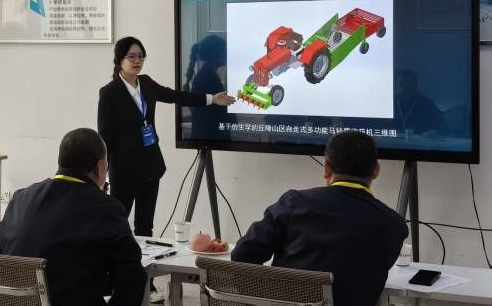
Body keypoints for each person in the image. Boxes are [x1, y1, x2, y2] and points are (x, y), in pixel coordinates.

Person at [98, 36, 234, 303]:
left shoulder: (146, 84)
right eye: (131, 57)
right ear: (119, 60)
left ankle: (145, 284)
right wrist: (103, 174)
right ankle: (115, 282)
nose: (137, 61)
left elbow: (175, 96)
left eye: (140, 57)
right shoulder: (109, 92)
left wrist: (211, 99)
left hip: (150, 167)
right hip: (123, 171)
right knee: (118, 228)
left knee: (145, 227)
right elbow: (105, 137)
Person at [232, 130, 408, 306]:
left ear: (326, 168)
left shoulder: (294, 203)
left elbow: (242, 255)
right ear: (376, 170)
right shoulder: (394, 225)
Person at [0, 128, 146, 306]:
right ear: (100, 167)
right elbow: (132, 278)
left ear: (60, 162)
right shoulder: (105, 207)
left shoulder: (20, 198)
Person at [183, 34, 236, 140]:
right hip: (211, 138)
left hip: (209, 137)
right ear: (215, 54)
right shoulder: (207, 77)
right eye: (224, 51)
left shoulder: (207, 75)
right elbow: (215, 112)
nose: (227, 55)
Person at [395, 71, 442, 138]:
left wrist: (434, 132)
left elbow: (440, 126)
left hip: (419, 143)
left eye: (408, 85)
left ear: (415, 87)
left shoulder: (427, 104)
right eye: (401, 84)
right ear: (396, 86)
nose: (404, 88)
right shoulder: (387, 103)